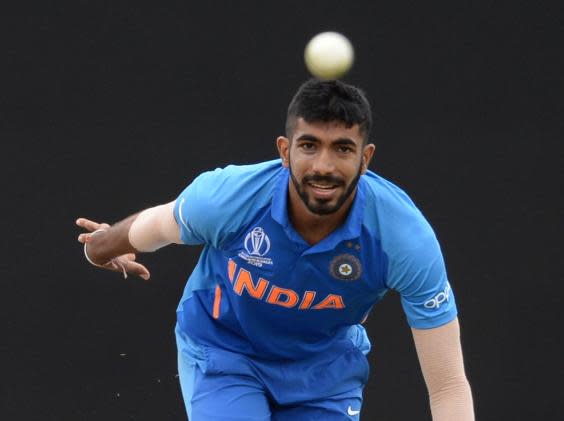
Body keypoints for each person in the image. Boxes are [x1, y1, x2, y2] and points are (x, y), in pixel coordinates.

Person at [76, 79, 474, 420]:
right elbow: (158, 225)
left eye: (342, 148)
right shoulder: (228, 198)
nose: (324, 166)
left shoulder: (402, 237)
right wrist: (99, 249)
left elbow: (448, 386)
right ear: (284, 151)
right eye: (309, 145)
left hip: (325, 375)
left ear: (365, 158)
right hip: (224, 352)